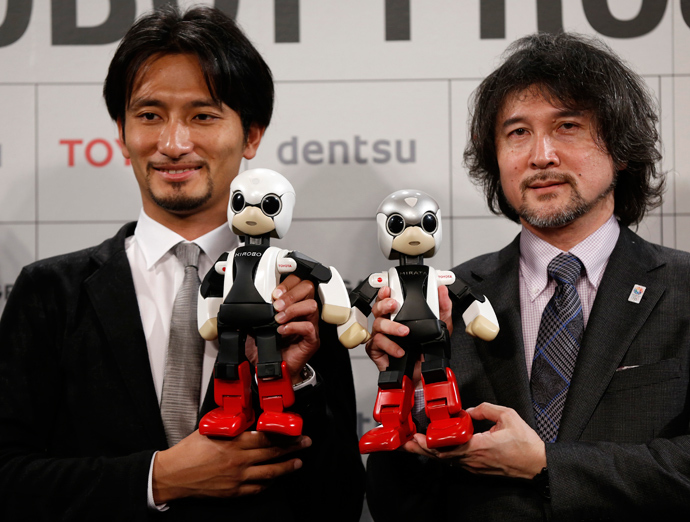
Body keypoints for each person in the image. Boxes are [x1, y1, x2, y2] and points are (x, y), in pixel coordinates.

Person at [0, 6, 363, 521]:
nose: (173, 144)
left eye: (203, 115)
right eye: (149, 116)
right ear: (121, 134)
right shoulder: (48, 293)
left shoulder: (298, 296)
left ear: (252, 134)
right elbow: (8, 479)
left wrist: (297, 383)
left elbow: (340, 499)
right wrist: (159, 477)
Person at [364, 32, 690, 520]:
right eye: (517, 132)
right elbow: (394, 504)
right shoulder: (449, 299)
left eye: (568, 127)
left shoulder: (683, 288)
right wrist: (412, 410)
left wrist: (547, 464)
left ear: (621, 149)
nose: (541, 156)